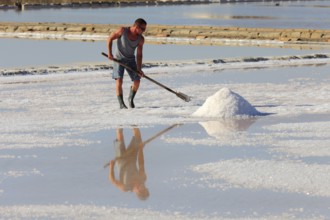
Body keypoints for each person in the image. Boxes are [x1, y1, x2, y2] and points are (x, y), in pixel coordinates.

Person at [106, 18, 147, 109]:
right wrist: (109, 53)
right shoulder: (123, 31)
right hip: (118, 59)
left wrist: (139, 69)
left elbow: (139, 55)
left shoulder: (141, 39)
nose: (144, 31)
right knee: (119, 81)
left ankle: (130, 98)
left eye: (145, 29)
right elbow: (110, 38)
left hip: (130, 60)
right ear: (136, 26)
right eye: (142, 29)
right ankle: (121, 104)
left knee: (137, 81)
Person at [109, 128, 150, 200]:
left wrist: (111, 166)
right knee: (138, 138)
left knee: (120, 136)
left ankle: (119, 126)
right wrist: (140, 149)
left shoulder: (125, 187)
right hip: (132, 157)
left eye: (141, 189)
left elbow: (112, 180)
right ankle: (133, 123)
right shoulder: (142, 178)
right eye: (145, 188)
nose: (142, 186)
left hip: (120, 158)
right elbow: (141, 162)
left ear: (137, 192)